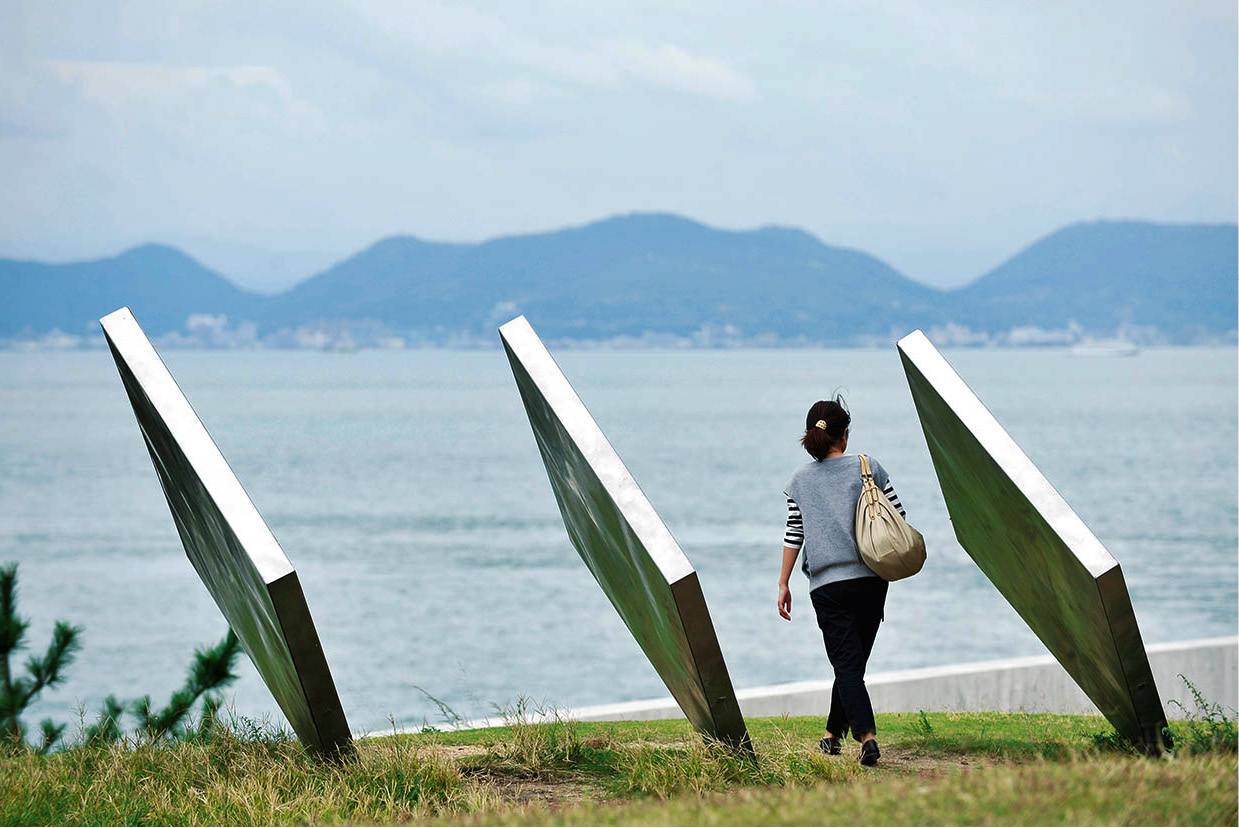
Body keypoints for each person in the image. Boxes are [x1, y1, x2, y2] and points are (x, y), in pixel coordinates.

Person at [777, 395, 906, 767]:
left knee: (847, 664)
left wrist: (783, 583)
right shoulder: (869, 467)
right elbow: (897, 514)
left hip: (827, 587)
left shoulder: (800, 480)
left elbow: (794, 533)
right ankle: (833, 736)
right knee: (851, 663)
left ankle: (866, 737)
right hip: (871, 579)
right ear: (844, 436)